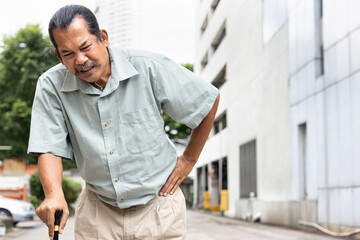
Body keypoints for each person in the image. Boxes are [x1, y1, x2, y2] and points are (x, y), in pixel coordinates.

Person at [28, 4, 219, 240]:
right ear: (59, 56)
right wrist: (53, 193)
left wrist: (189, 159)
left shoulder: (150, 67)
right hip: (99, 211)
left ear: (104, 38)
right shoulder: (51, 86)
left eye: (85, 47)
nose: (80, 60)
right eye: (68, 54)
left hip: (158, 205)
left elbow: (207, 101)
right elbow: (48, 146)